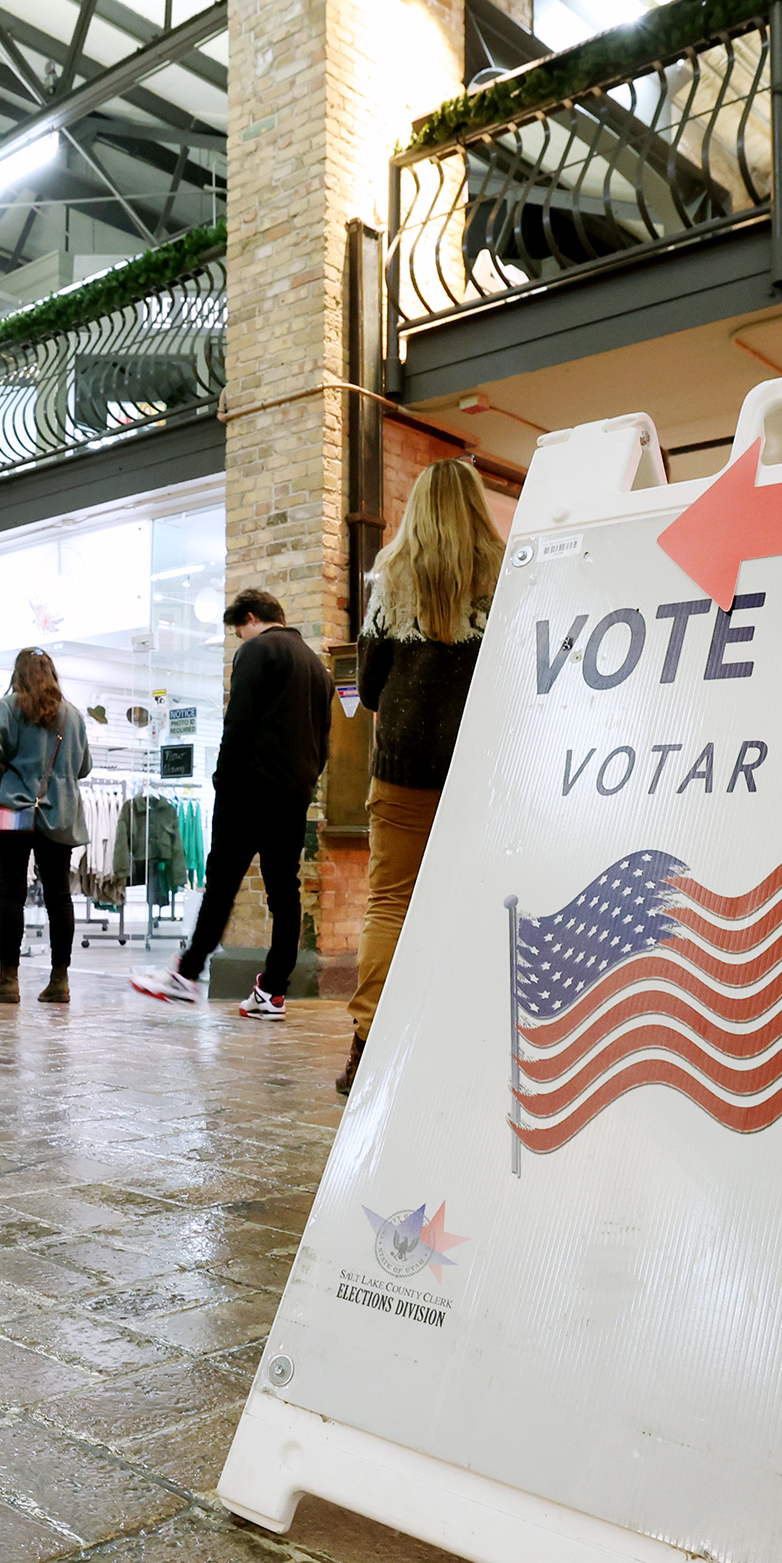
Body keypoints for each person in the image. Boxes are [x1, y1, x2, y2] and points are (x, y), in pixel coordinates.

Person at [340, 457, 503, 1095]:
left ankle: (366, 1048)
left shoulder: (392, 576)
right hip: (478, 771)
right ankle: (466, 1045)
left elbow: (366, 685)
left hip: (403, 770)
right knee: (477, 901)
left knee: (389, 904)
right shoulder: (505, 574)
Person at [132, 588, 333, 1018]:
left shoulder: (258, 651)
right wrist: (304, 783)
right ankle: (272, 992)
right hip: (293, 795)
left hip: (247, 791)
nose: (240, 639)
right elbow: (324, 741)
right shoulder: (318, 667)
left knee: (221, 884)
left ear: (251, 618)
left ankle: (186, 974)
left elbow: (238, 722)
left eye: (238, 631)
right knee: (285, 892)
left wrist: (222, 781)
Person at [0, 649, 91, 1005]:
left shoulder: (8, 708)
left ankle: (8, 980)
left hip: (14, 810)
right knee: (59, 897)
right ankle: (59, 981)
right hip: (60, 815)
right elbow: (84, 766)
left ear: (18, 673)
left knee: (12, 895)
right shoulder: (73, 716)